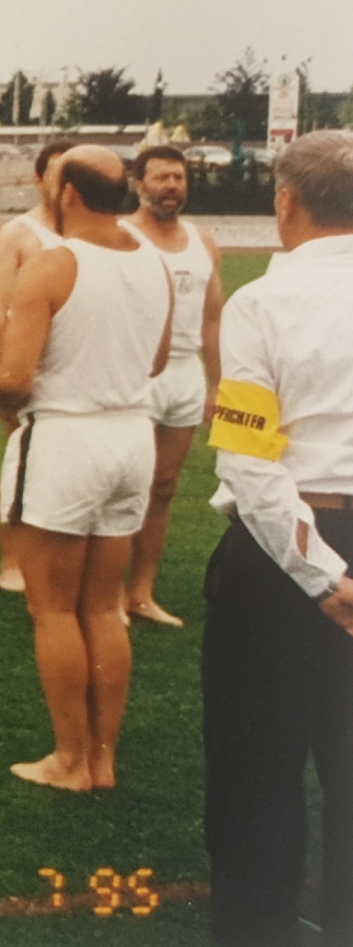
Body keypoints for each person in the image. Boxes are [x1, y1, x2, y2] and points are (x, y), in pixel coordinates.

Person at [202, 130, 353, 945]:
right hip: (304, 536)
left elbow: (249, 461)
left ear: (286, 203)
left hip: (283, 555)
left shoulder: (262, 301)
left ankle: (257, 930)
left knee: (256, 767)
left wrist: (323, 577)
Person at [0, 145, 172, 791]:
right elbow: (156, 361)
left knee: (55, 611)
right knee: (102, 608)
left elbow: (12, 378)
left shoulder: (51, 265)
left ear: (67, 193)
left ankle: (71, 760)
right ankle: (103, 758)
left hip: (68, 438)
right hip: (132, 438)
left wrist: (7, 402)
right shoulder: (154, 260)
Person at [122, 146, 222, 627]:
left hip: (185, 374)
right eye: (161, 178)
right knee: (123, 487)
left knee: (163, 487)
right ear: (138, 184)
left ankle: (141, 593)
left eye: (179, 178)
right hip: (134, 373)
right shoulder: (121, 236)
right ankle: (104, 594)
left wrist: (218, 384)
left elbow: (212, 317)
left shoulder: (203, 241)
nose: (171, 186)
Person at [0, 141, 72, 592]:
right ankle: (12, 561)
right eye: (56, 173)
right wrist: (4, 378)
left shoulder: (94, 232)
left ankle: (57, 558)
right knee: (21, 465)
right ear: (39, 179)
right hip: (29, 368)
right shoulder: (19, 234)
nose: (65, 183)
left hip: (75, 370)